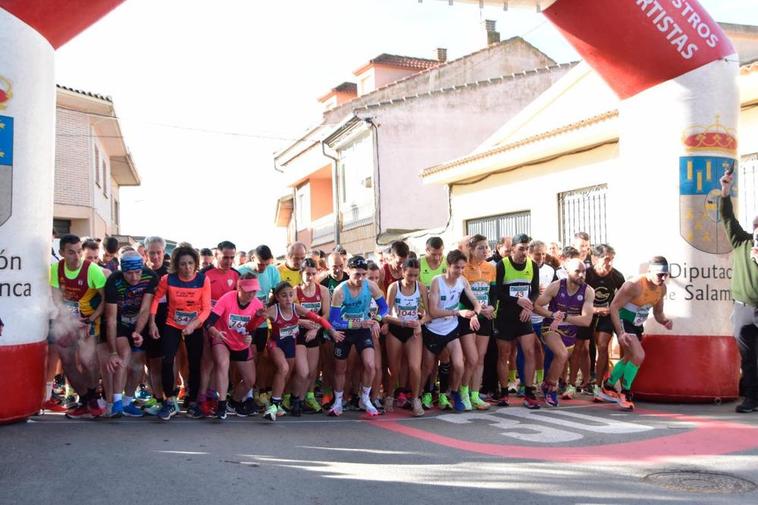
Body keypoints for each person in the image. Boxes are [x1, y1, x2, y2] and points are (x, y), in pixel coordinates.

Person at [600, 256, 673, 410]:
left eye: (666, 274)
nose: (663, 278)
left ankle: (608, 385)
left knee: (629, 357)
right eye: (660, 274)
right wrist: (620, 333)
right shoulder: (633, 285)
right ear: (650, 271)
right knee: (639, 355)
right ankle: (625, 393)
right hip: (623, 321)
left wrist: (665, 321)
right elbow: (613, 306)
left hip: (636, 324)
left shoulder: (662, 288)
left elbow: (658, 313)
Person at [149, 245, 212, 421]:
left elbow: (207, 309)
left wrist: (194, 324)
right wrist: (152, 323)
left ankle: (192, 402)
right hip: (172, 324)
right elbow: (155, 301)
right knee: (167, 360)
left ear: (196, 264)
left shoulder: (202, 280)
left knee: (194, 363)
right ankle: (169, 401)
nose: (187, 267)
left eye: (191, 263)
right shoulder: (167, 279)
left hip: (195, 326)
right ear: (177, 265)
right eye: (183, 264)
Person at [49, 234, 108, 419]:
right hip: (67, 321)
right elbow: (56, 298)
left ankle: (93, 398)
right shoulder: (54, 269)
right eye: (71, 252)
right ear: (61, 253)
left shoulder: (93, 270)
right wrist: (68, 319)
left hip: (89, 321)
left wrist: (90, 320)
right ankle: (85, 399)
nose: (76, 256)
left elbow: (105, 300)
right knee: (67, 362)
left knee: (88, 361)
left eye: (78, 252)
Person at [265, 281, 341, 421]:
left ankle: (282, 401)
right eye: (284, 296)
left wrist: (332, 331)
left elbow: (318, 318)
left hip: (290, 344)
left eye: (290, 295)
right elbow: (254, 324)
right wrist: (256, 319)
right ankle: (274, 404)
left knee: (287, 374)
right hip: (276, 344)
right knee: (283, 368)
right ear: (277, 297)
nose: (288, 299)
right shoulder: (273, 310)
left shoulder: (296, 308)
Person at [421, 249, 482, 412]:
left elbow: (476, 302)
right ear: (448, 265)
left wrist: (475, 314)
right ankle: (424, 394)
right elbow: (433, 311)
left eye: (462, 268)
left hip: (451, 328)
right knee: (428, 366)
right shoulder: (437, 281)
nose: (460, 271)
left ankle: (453, 394)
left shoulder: (462, 281)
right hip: (433, 328)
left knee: (459, 364)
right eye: (456, 267)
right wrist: (457, 312)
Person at [327, 255, 389, 417]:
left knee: (370, 365)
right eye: (356, 275)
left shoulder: (371, 286)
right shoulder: (340, 291)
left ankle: (365, 399)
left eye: (363, 274)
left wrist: (376, 320)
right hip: (344, 331)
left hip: (363, 329)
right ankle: (338, 401)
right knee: (341, 368)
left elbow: (384, 308)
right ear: (348, 271)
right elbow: (333, 321)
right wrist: (354, 324)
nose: (360, 278)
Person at [720, 172, 758, 413]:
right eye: (756, 227)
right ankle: (752, 399)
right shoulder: (741, 242)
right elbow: (727, 217)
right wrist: (725, 191)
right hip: (743, 309)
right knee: (749, 359)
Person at [533, 258, 595, 407]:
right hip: (551, 328)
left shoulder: (588, 291)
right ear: (567, 272)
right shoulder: (556, 286)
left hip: (570, 332)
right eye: (577, 271)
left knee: (560, 358)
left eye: (584, 272)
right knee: (562, 354)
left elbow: (587, 320)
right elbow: (537, 306)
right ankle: (552, 389)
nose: (581, 275)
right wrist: (552, 315)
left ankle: (546, 384)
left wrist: (566, 317)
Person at [204, 273, 266, 420]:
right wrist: (216, 333)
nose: (252, 293)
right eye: (249, 290)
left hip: (240, 343)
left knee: (250, 380)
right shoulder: (227, 298)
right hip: (222, 338)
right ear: (239, 287)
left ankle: (234, 401)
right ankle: (221, 404)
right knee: (223, 363)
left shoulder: (258, 304)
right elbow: (208, 323)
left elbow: (252, 327)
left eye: (254, 290)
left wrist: (250, 335)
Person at [103, 251, 157, 417]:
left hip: (137, 321)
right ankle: (116, 402)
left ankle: (127, 402)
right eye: (129, 273)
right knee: (124, 353)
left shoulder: (150, 276)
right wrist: (112, 351)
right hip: (119, 321)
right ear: (122, 270)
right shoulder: (114, 280)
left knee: (138, 363)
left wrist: (138, 332)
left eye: (137, 272)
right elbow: (111, 319)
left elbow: (145, 308)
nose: (134, 278)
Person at [494, 233, 541, 409]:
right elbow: (497, 292)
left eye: (527, 249)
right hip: (505, 316)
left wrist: (528, 307)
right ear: (512, 248)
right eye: (521, 249)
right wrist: (517, 301)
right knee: (504, 355)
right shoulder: (502, 265)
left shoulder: (532, 265)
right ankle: (504, 392)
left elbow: (535, 291)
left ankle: (529, 392)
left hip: (524, 316)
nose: (524, 252)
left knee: (529, 352)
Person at [197, 241, 240, 416]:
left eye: (232, 257)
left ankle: (213, 395)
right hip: (208, 323)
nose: (229, 261)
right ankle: (201, 399)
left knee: (220, 364)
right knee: (207, 362)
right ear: (216, 255)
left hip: (228, 327)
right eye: (225, 257)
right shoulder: (204, 274)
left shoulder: (237, 275)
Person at [384, 258, 428, 417]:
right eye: (409, 275)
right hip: (396, 329)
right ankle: (389, 395)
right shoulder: (393, 287)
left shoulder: (421, 287)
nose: (412, 279)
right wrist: (400, 321)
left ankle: (416, 399)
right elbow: (386, 314)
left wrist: (419, 323)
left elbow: (428, 314)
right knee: (394, 369)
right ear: (402, 272)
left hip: (413, 331)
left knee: (415, 367)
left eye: (416, 275)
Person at [459, 234, 496, 411]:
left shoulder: (491, 267)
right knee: (470, 359)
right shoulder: (464, 268)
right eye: (481, 247)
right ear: (471, 250)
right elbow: (462, 295)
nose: (485, 251)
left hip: (485, 317)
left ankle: (475, 394)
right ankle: (462, 392)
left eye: (486, 247)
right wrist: (475, 310)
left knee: (480, 358)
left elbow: (493, 292)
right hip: (469, 317)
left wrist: (491, 307)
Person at [585, 244, 625, 400]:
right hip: (588, 314)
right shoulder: (587, 275)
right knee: (583, 349)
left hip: (607, 316)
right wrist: (595, 310)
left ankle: (598, 386)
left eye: (612, 259)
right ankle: (575, 382)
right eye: (606, 259)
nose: (609, 263)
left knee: (602, 346)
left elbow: (625, 297)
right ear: (595, 258)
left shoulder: (617, 276)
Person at [296, 258, 332, 413]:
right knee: (301, 371)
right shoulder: (295, 291)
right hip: (299, 332)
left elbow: (327, 313)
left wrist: (316, 328)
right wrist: (303, 324)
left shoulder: (322, 290)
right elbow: (288, 315)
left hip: (315, 331)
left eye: (313, 274)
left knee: (312, 371)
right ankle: (294, 398)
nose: (310, 277)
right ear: (301, 273)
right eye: (307, 274)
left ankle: (305, 398)